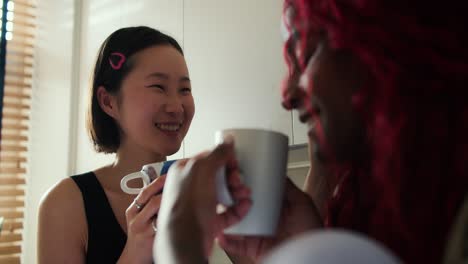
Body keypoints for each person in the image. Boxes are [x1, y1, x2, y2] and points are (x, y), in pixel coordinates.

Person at [154, 0, 468, 263]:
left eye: (308, 53)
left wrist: (178, 247)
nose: (287, 94)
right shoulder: (396, 208)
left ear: (388, 41)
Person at [38, 26, 195, 263]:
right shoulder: (65, 203)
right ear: (108, 101)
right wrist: (136, 251)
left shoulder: (198, 195)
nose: (176, 106)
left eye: (185, 89)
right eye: (158, 87)